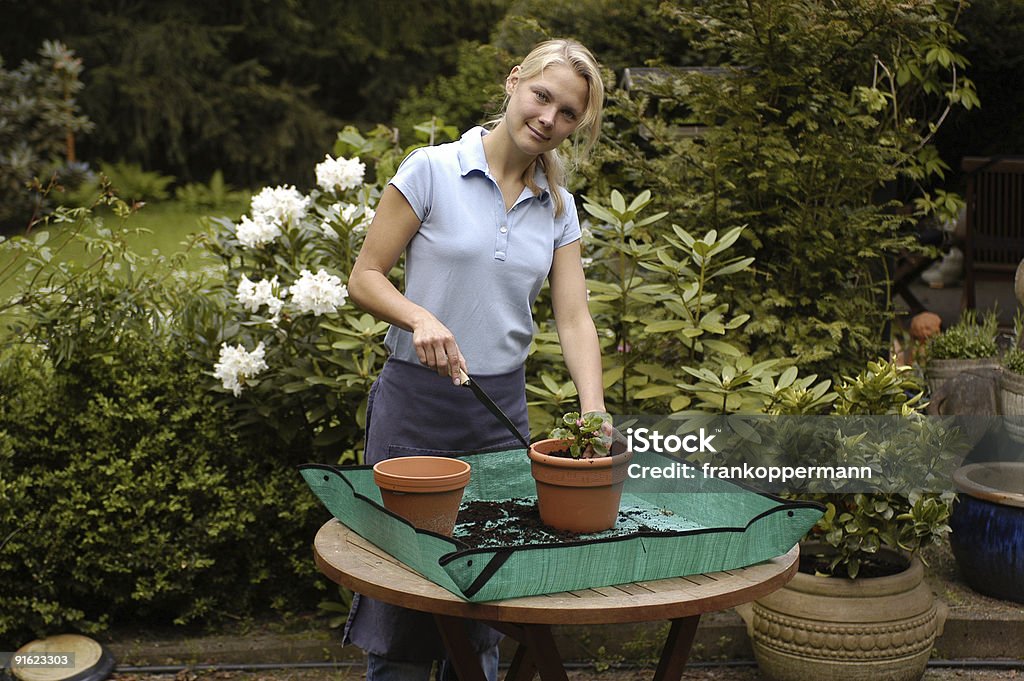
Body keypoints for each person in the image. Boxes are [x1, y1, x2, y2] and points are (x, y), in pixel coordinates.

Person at [345, 38, 608, 680]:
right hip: (415, 410)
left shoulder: (559, 207)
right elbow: (366, 276)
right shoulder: (430, 170)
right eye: (542, 96)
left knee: (487, 607)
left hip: (497, 418)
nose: (549, 118)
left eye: (568, 112)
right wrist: (419, 316)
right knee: (403, 608)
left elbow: (573, 318)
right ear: (516, 82)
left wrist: (593, 410)